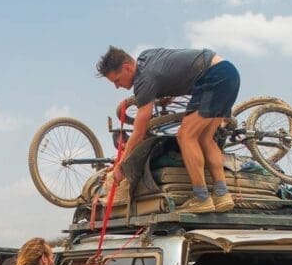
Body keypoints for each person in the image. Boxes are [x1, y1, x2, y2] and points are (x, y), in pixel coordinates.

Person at [96, 46, 241, 214]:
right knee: (205, 139)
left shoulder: (144, 80)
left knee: (186, 136)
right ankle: (222, 194)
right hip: (228, 73)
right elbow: (172, 65)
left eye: (117, 80)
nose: (117, 86)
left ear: (128, 68)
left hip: (213, 78)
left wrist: (121, 164)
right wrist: (167, 94)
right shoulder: (146, 57)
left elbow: (139, 132)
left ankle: (201, 198)